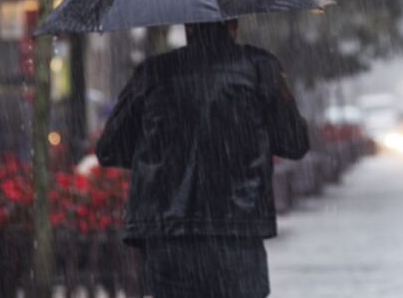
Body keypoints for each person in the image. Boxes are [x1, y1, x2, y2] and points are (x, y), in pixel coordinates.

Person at [96, 20, 309, 298]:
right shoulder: (259, 68)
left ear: (188, 27)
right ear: (233, 25)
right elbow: (294, 143)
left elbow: (110, 148)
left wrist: (159, 157)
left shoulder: (153, 72)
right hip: (237, 235)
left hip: (169, 238)